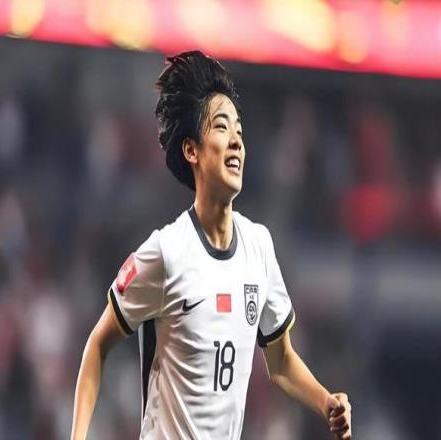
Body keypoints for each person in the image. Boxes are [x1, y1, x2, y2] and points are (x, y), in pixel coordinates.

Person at [71, 51, 352, 440]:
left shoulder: (259, 247)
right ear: (192, 150)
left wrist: (326, 403)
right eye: (222, 127)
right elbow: (98, 344)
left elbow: (281, 361)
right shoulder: (166, 253)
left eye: (240, 131)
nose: (236, 141)